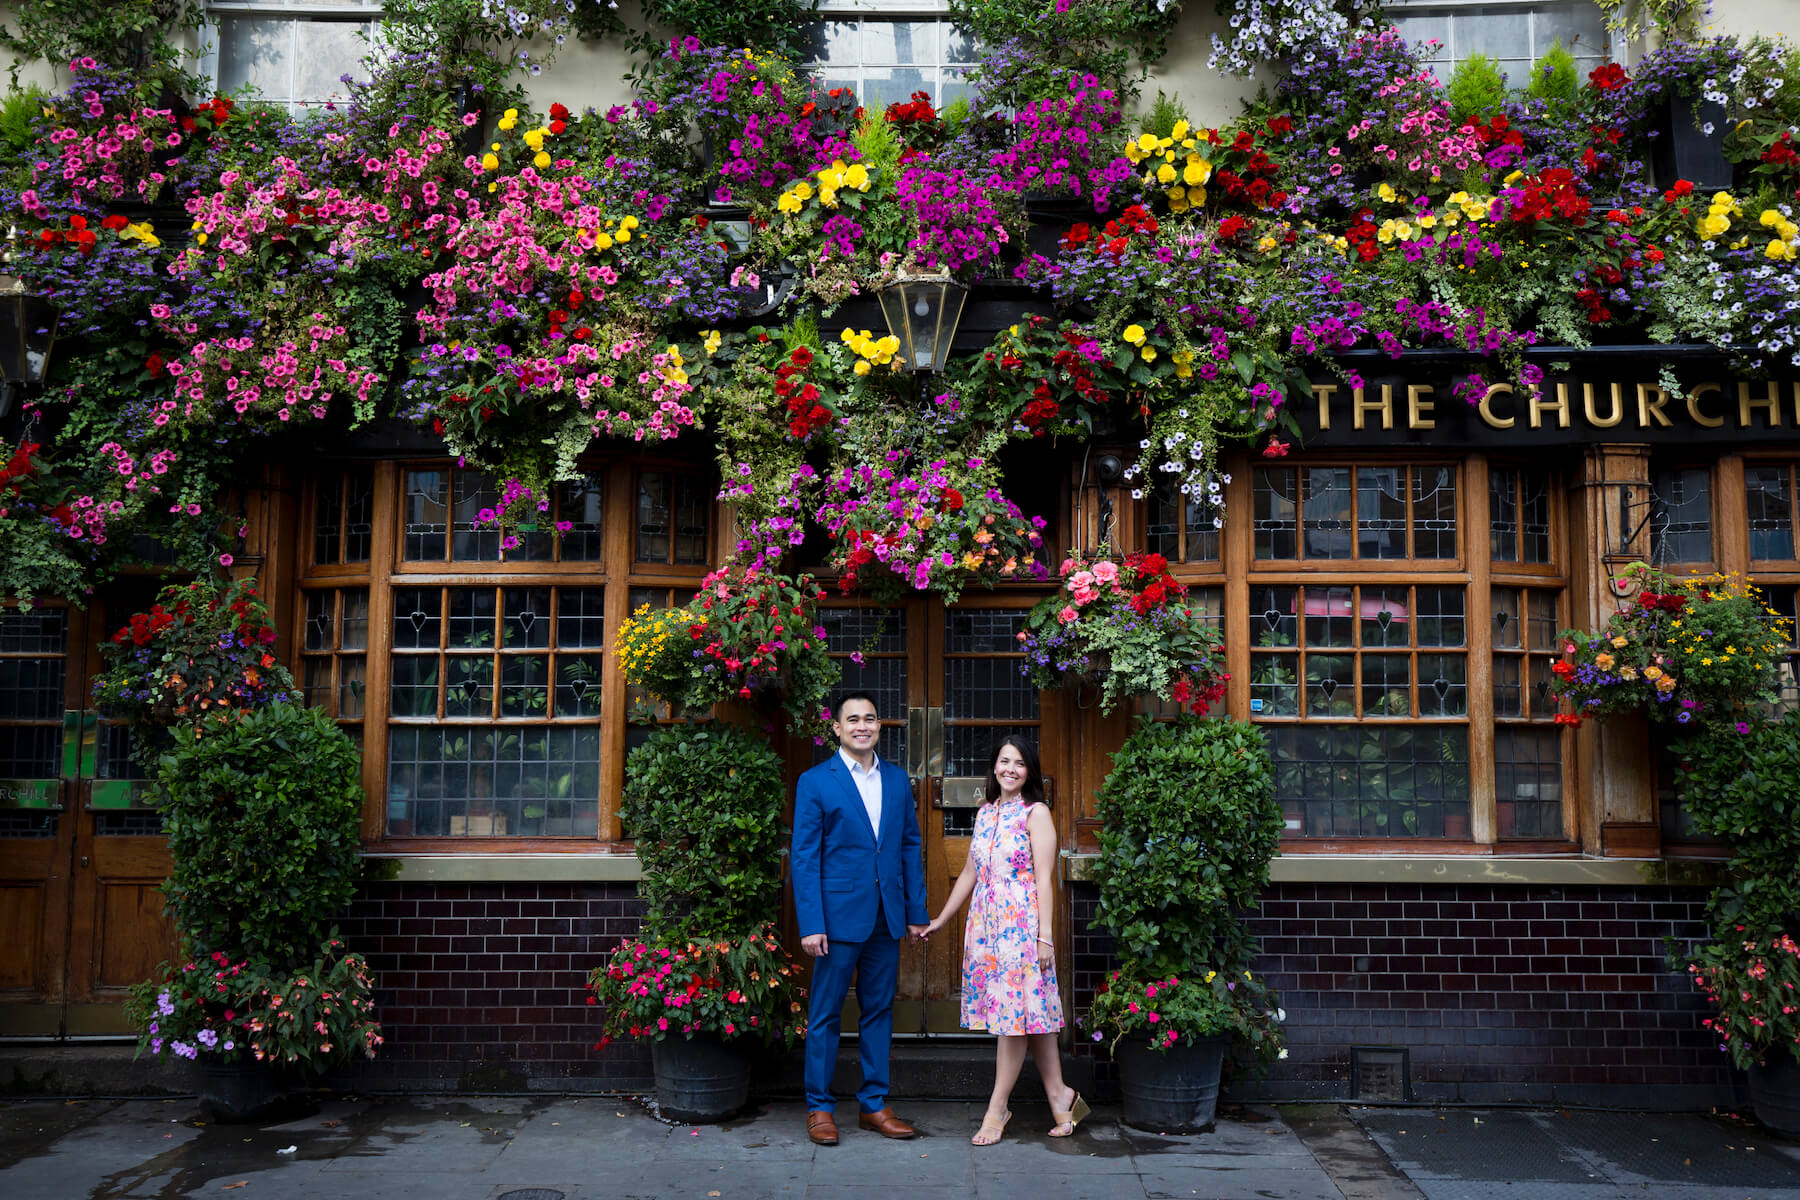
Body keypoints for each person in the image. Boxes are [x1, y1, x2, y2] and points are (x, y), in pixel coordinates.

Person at [923, 736, 1089, 1145]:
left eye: (1019, 763)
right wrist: (943, 918)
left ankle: (997, 1108)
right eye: (1004, 761)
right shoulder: (984, 813)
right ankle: (1061, 1097)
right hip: (987, 927)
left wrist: (1045, 937)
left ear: (1029, 771)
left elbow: (1045, 879)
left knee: (1014, 1020)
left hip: (1022, 927)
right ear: (994, 767)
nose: (1010, 768)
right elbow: (969, 873)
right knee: (1032, 1015)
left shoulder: (1037, 813)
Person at [790, 691, 929, 1146]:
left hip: (886, 918)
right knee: (826, 1013)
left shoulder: (895, 780)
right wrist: (811, 923)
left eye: (869, 718)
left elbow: (910, 847)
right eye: (853, 719)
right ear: (837, 727)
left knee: (879, 1011)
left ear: (879, 726)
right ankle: (820, 1107)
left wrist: (915, 912)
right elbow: (804, 857)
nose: (862, 726)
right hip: (835, 919)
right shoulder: (816, 781)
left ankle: (873, 1104)